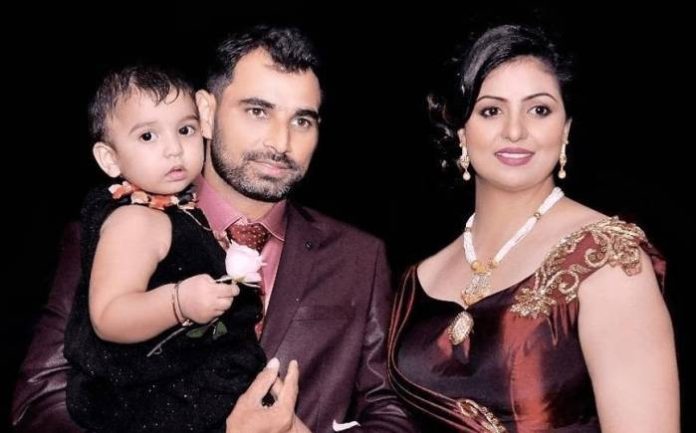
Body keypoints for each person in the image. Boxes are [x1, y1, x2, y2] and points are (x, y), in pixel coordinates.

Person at [12, 25, 416, 433]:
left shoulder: (359, 257)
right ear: (205, 112)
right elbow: (39, 406)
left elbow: (389, 413)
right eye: (258, 111)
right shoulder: (115, 231)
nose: (281, 142)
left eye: (302, 120)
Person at [387, 24, 679, 432]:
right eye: (491, 111)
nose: (515, 131)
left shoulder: (606, 259)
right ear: (461, 132)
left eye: (539, 110)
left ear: (566, 130)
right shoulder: (415, 281)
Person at [63, 65, 266, 433]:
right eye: (147, 136)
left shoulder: (171, 210)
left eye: (185, 130)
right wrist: (179, 301)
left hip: (181, 384)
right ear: (110, 159)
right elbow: (108, 316)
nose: (174, 149)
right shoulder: (134, 221)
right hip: (152, 397)